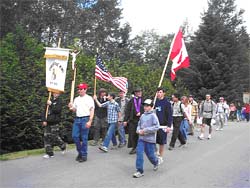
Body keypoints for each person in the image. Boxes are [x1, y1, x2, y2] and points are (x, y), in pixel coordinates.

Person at [133, 99, 160, 178]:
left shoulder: (153, 116)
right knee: (139, 153)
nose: (145, 107)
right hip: (141, 139)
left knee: (151, 155)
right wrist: (138, 130)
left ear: (151, 107)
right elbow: (139, 125)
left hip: (150, 140)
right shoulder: (142, 115)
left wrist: (145, 130)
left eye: (147, 106)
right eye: (144, 106)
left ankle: (156, 162)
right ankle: (139, 171)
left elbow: (156, 127)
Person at [68, 83, 95, 162]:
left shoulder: (89, 98)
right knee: (74, 136)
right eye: (79, 89)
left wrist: (90, 121)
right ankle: (80, 152)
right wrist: (71, 107)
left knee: (84, 138)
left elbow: (92, 110)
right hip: (77, 119)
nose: (79, 90)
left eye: (81, 89)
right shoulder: (76, 99)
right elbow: (74, 110)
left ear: (85, 89)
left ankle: (84, 155)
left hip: (85, 119)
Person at [42, 92, 66, 159]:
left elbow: (58, 110)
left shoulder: (60, 101)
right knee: (46, 137)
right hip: (48, 122)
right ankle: (49, 153)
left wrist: (51, 104)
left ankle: (62, 146)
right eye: (54, 93)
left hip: (54, 122)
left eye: (57, 93)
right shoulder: (49, 100)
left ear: (59, 94)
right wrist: (44, 120)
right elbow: (44, 111)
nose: (55, 94)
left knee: (54, 137)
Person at [154, 87, 172, 164]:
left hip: (163, 125)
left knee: (161, 142)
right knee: (154, 141)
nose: (159, 93)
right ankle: (156, 151)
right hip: (155, 125)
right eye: (158, 92)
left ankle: (161, 157)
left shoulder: (167, 103)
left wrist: (169, 126)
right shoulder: (155, 101)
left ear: (164, 93)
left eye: (160, 92)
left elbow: (170, 115)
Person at [124, 87, 144, 154]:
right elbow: (127, 110)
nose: (140, 93)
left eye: (140, 91)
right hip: (133, 120)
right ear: (135, 93)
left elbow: (147, 109)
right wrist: (125, 120)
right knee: (132, 134)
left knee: (141, 134)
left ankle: (141, 147)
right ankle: (134, 147)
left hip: (141, 120)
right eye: (138, 92)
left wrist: (141, 113)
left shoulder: (143, 100)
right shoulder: (131, 101)